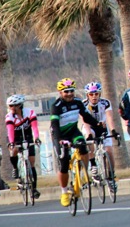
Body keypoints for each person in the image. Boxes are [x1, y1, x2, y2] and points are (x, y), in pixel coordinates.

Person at [50, 78, 100, 207]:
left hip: (73, 132)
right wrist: (60, 139)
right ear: (60, 92)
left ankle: (82, 171)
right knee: (64, 163)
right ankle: (64, 191)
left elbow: (86, 116)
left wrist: (98, 125)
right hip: (59, 135)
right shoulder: (56, 106)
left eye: (71, 91)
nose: (69, 94)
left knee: (84, 148)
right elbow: (54, 125)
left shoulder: (78, 102)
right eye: (66, 91)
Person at [80, 82, 117, 187]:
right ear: (87, 95)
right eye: (91, 94)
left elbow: (109, 118)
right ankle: (93, 165)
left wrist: (113, 130)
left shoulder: (106, 103)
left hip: (102, 126)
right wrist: (88, 135)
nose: (94, 96)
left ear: (100, 94)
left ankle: (111, 176)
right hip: (89, 127)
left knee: (109, 151)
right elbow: (84, 121)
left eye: (96, 94)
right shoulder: (83, 104)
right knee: (89, 139)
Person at [5, 94, 41, 198]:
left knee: (32, 161)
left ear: (20, 105)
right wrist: (12, 142)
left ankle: (34, 189)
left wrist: (37, 138)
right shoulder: (9, 116)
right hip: (15, 136)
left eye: (14, 106)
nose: (12, 108)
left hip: (28, 135)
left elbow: (34, 127)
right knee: (14, 150)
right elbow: (10, 131)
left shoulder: (29, 112)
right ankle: (15, 168)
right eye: (10, 106)